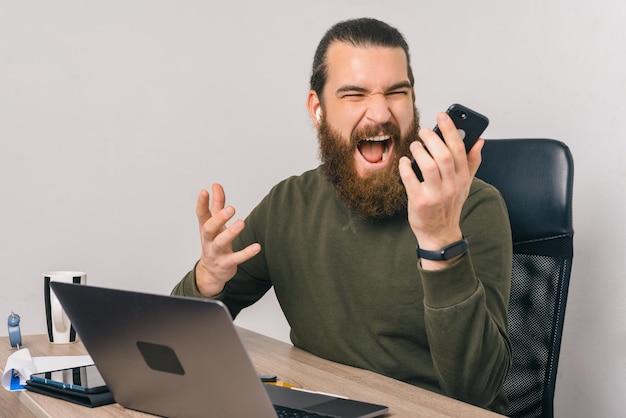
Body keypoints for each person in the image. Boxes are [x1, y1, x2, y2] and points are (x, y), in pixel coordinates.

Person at [172, 17, 512, 414]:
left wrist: (440, 240)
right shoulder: (290, 203)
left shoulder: (473, 206)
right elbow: (177, 342)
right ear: (318, 109)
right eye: (354, 94)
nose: (380, 112)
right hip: (322, 404)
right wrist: (207, 280)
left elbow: (479, 390)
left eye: (397, 92)